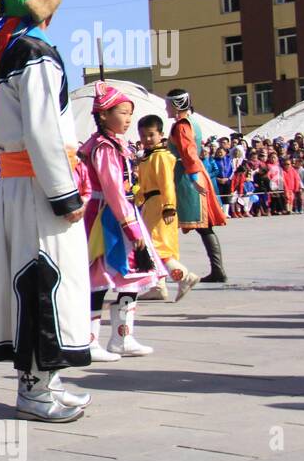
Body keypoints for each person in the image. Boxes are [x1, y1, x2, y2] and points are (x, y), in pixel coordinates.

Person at [0, 0, 91, 423]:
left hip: (17, 183)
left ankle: (46, 382)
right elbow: (43, 130)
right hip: (38, 183)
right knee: (45, 281)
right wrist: (65, 194)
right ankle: (37, 390)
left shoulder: (6, 48)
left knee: (34, 279)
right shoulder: (35, 52)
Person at [79, 83, 166, 361]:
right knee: (99, 278)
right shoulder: (103, 147)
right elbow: (114, 188)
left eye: (130, 114)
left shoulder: (114, 144)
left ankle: (122, 336)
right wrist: (131, 226)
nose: (128, 120)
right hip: (106, 218)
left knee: (133, 276)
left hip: (120, 213)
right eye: (123, 113)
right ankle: (89, 340)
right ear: (103, 114)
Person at [136, 114, 200, 302]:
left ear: (161, 134)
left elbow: (166, 184)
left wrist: (169, 206)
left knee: (157, 247)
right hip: (150, 205)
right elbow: (143, 185)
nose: (147, 139)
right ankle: (158, 286)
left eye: (151, 135)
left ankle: (185, 276)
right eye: (143, 135)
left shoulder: (162, 157)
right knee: (152, 246)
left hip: (160, 204)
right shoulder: (148, 158)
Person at [166, 89, 227, 282]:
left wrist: (192, 178)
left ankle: (160, 272)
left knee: (166, 221)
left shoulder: (181, 126)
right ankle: (217, 270)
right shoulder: (194, 124)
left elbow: (189, 153)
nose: (166, 107)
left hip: (186, 178)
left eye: (168, 104)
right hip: (194, 174)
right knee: (204, 226)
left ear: (176, 105)